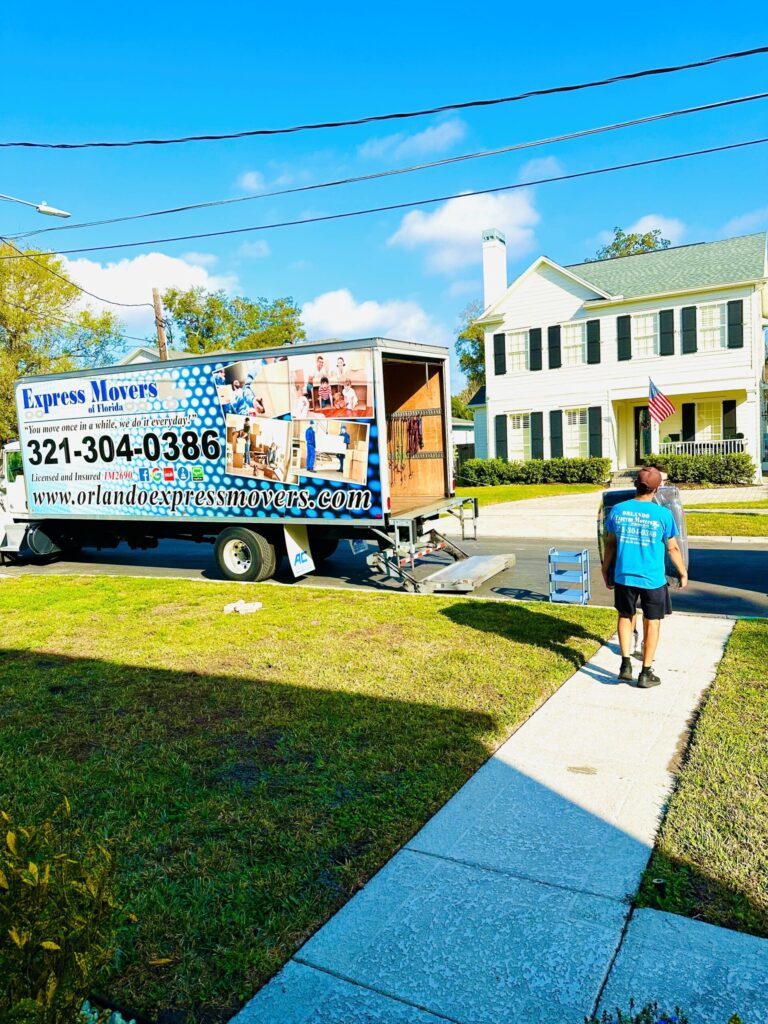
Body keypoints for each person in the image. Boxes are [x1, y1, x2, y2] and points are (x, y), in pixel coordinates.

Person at [601, 466, 688, 688]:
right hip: (653, 579)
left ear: (635, 485)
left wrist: (605, 568)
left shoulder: (618, 510)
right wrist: (682, 571)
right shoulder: (663, 514)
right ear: (657, 489)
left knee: (625, 616)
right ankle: (646, 673)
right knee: (652, 622)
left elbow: (610, 544)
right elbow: (672, 548)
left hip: (624, 577)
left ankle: (625, 665)